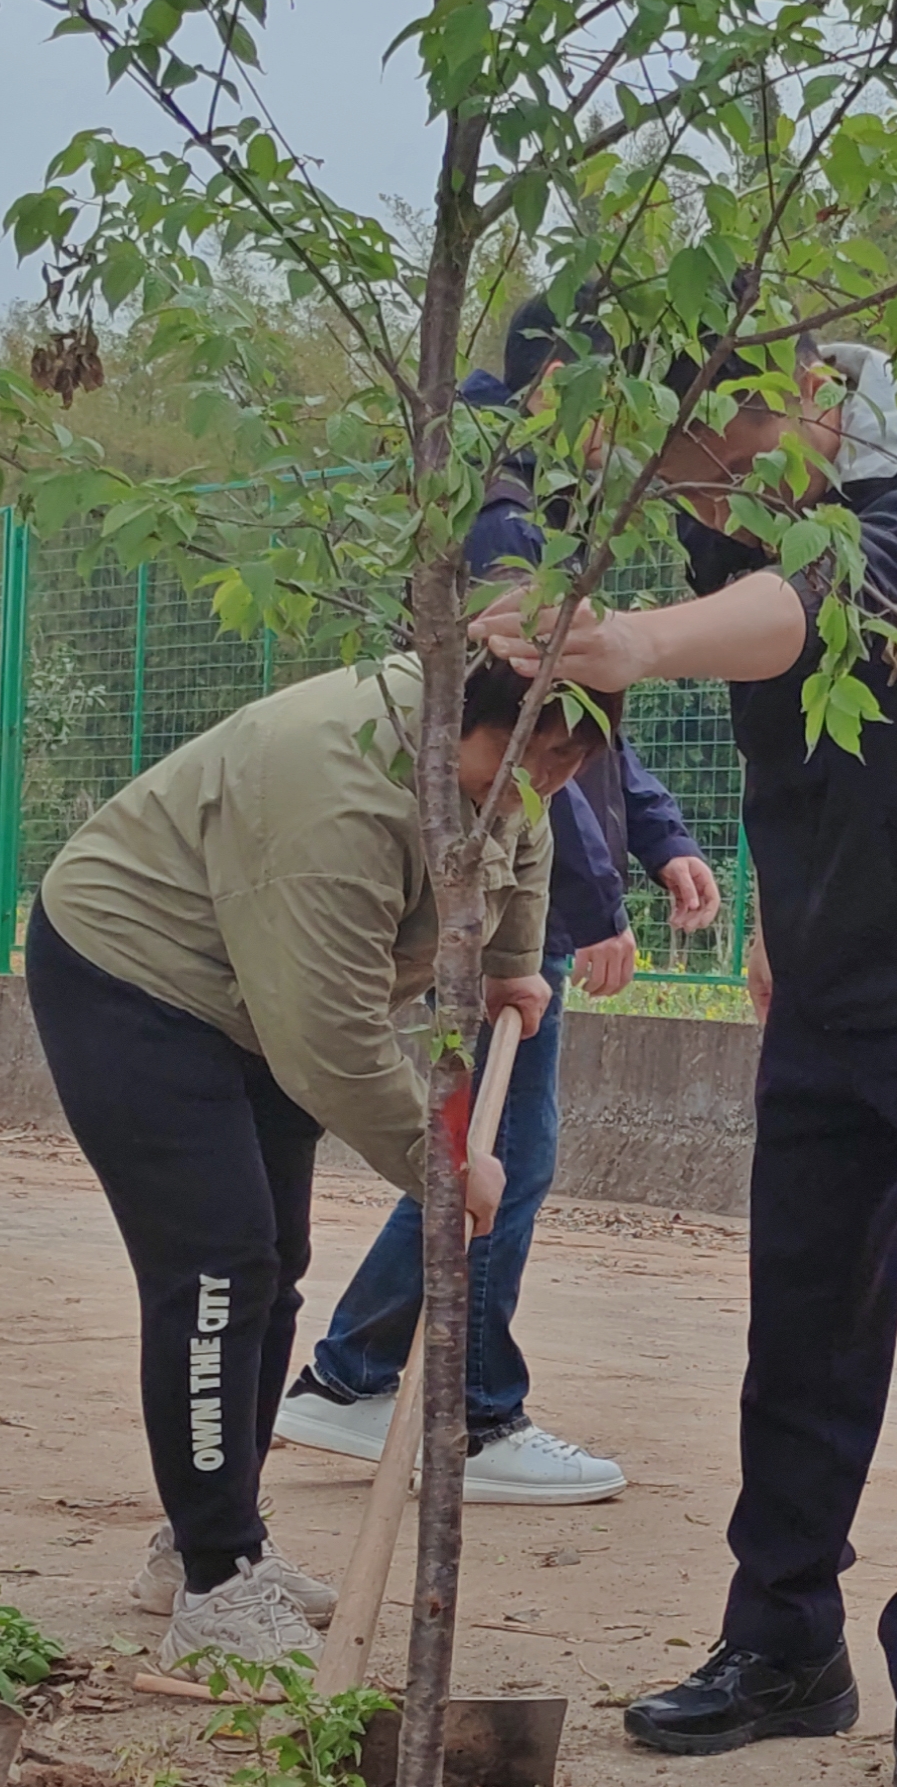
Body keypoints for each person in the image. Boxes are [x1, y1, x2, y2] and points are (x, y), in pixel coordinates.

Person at [473, 336, 897, 1787]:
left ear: (816, 398)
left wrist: (633, 642)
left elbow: (804, 611)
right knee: (805, 1313)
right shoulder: (728, 509)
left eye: (716, 445)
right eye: (673, 458)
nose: (698, 489)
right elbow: (780, 701)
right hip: (830, 976)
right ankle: (783, 1641)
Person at [28, 651, 582, 1667]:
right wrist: (443, 1162)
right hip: (134, 974)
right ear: (457, 717)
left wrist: (512, 966)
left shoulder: (511, 758)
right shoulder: (338, 796)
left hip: (255, 993)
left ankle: (209, 1539)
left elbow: (527, 827)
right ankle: (214, 1581)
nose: (539, 783)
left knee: (271, 1264)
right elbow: (329, 1043)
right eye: (525, 756)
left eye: (565, 760)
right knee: (214, 1269)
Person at [274, 343, 725, 1506]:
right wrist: (587, 904)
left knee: (493, 1151)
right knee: (501, 1157)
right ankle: (473, 1415)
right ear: (555, 381)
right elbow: (519, 750)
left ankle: (350, 1376)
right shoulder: (500, 530)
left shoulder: (569, 523)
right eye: (621, 392)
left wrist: (661, 835)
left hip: (530, 896)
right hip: (498, 896)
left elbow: (591, 738)